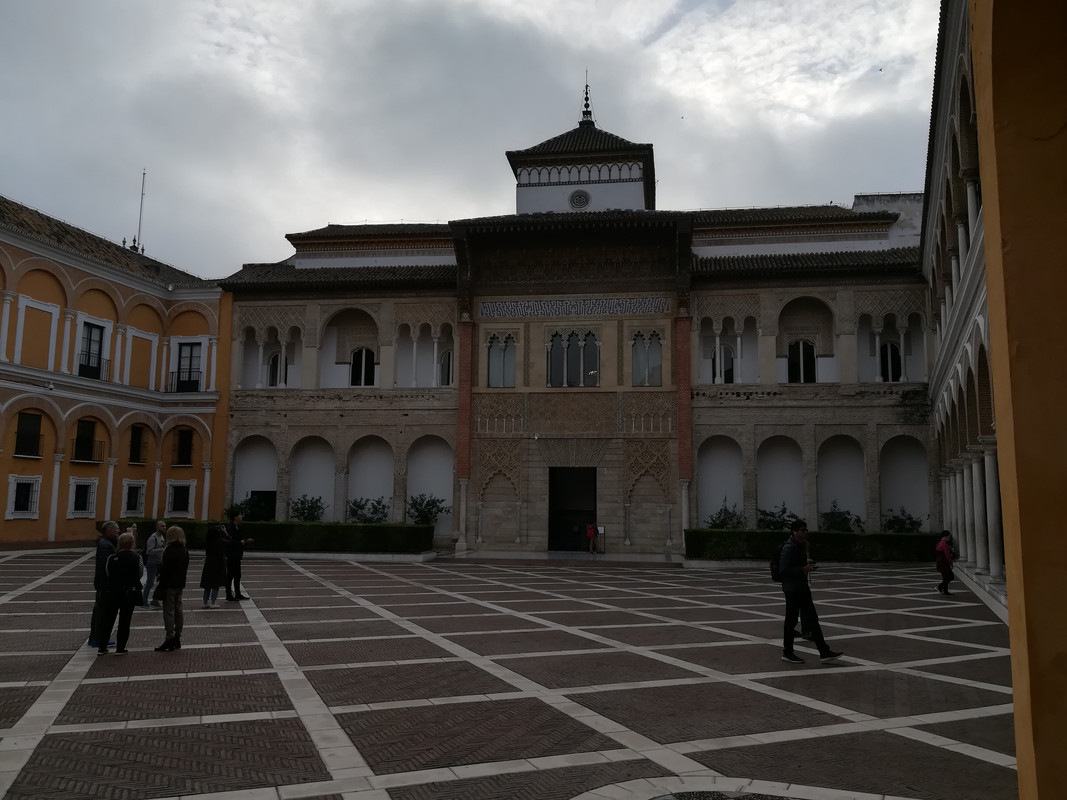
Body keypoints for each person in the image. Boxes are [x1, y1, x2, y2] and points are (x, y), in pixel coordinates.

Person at [779, 519, 843, 665]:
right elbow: (784, 570)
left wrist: (806, 564)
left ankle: (824, 652)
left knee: (813, 620)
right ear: (794, 532)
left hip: (802, 589)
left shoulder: (799, 546)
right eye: (802, 530)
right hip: (793, 590)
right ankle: (787, 652)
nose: (805, 532)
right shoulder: (789, 547)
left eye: (806, 529)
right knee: (791, 621)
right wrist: (803, 569)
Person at [97, 532, 144, 655]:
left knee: (108, 620)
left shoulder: (111, 558)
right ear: (131, 543)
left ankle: (102, 647)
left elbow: (107, 573)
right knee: (125, 620)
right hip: (129, 592)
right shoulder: (137, 557)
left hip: (112, 591)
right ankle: (120, 648)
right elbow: (140, 573)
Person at [155, 525, 190, 651]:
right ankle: (177, 636)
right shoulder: (184, 550)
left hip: (169, 584)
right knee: (178, 610)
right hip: (180, 583)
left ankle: (169, 637)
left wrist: (160, 576)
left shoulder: (170, 550)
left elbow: (166, 569)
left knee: (169, 611)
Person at [88, 520, 120, 648]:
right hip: (104, 584)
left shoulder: (108, 543)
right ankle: (97, 638)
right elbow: (106, 564)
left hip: (105, 583)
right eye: (116, 529)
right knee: (102, 612)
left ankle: (98, 637)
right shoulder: (104, 545)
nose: (118, 531)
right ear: (109, 530)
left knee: (101, 611)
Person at [199, 524, 230, 608]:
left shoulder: (208, 541)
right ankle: (213, 602)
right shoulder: (220, 541)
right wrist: (225, 533)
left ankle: (205, 602)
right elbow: (230, 541)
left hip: (209, 564)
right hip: (218, 564)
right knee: (216, 584)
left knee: (207, 585)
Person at [225, 513, 253, 601]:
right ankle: (229, 595)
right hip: (231, 555)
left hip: (237, 555)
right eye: (240, 515)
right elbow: (230, 542)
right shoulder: (230, 528)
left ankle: (238, 594)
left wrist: (245, 541)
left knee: (237, 575)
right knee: (230, 576)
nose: (241, 517)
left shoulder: (238, 527)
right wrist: (241, 542)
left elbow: (239, 541)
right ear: (235, 517)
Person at [142, 520, 167, 607]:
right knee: (150, 582)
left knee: (161, 582)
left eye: (165, 526)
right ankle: (143, 601)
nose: (164, 528)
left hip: (159, 563)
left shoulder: (162, 537)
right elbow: (149, 551)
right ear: (157, 527)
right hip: (152, 563)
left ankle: (155, 600)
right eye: (162, 526)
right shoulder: (153, 538)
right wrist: (162, 550)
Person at [935, 530, 956, 595]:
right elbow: (947, 555)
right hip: (943, 563)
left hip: (941, 562)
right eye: (949, 536)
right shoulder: (944, 543)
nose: (949, 538)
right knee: (950, 577)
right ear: (945, 536)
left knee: (946, 577)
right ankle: (940, 587)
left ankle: (945, 590)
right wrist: (951, 563)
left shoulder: (940, 543)